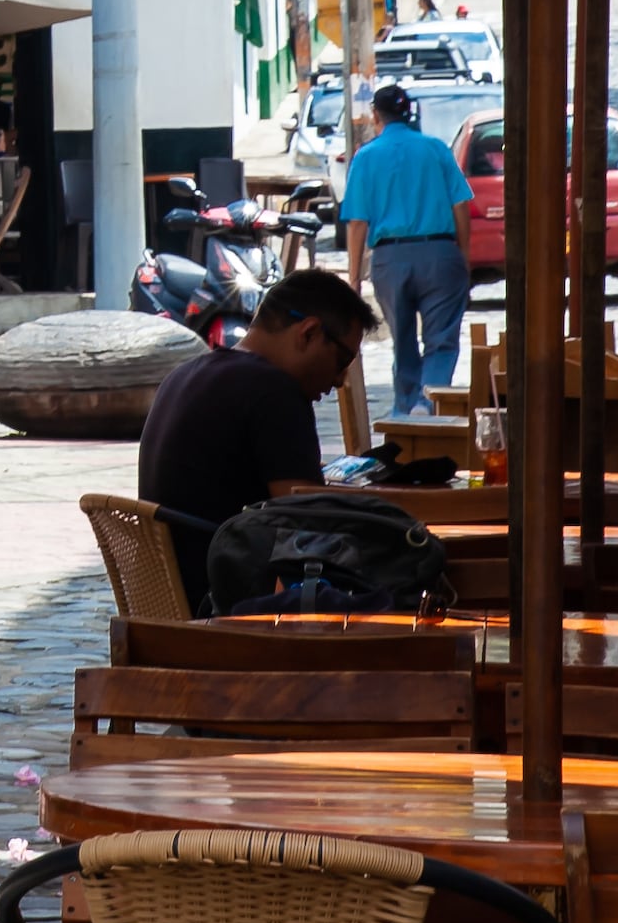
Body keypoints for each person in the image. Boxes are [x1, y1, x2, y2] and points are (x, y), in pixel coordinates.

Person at [132, 267, 375, 608]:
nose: (340, 380)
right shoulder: (274, 392)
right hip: (230, 605)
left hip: (177, 596)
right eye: (342, 359)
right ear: (308, 333)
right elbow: (312, 520)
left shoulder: (185, 374)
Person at [331, 82, 475, 415]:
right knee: (441, 341)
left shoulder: (366, 157)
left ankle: (406, 407)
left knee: (403, 340)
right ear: (409, 113)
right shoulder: (436, 149)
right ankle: (429, 400)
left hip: (390, 258)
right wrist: (463, 257)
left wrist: (354, 277)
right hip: (440, 254)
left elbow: (356, 222)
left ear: (375, 115)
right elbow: (461, 206)